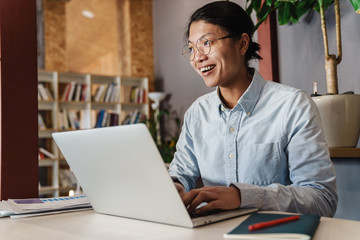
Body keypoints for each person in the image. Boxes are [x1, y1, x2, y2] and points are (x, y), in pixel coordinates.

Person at [168, 1, 337, 217]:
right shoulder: (197, 113)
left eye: (207, 43)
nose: (197, 57)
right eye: (191, 48)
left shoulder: (293, 106)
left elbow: (322, 199)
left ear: (242, 44)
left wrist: (242, 197)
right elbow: (181, 172)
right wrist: (175, 185)